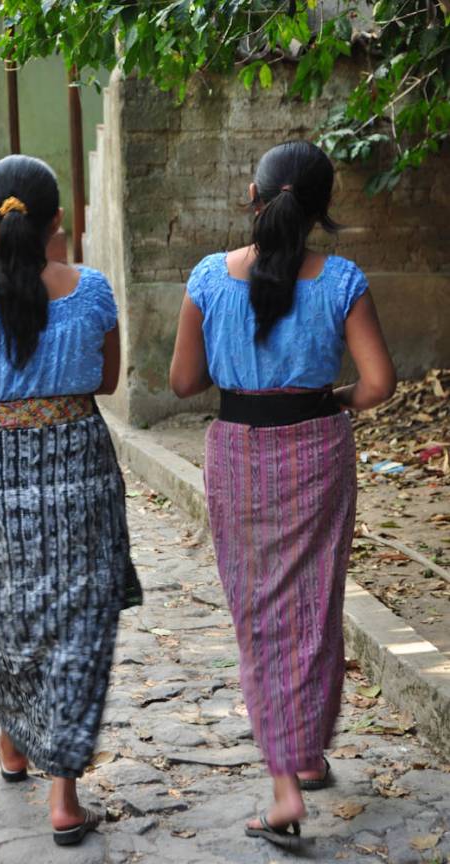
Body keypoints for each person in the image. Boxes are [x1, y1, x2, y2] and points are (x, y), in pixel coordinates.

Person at [170, 140, 396, 850]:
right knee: (313, 606)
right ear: (323, 208)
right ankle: (304, 756)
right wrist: (333, 399)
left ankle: (286, 787)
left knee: (259, 612)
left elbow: (183, 382)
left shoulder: (208, 278)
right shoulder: (342, 280)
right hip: (318, 449)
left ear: (253, 196)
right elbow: (379, 382)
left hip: (237, 453)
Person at [0, 154, 139, 846]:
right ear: (58, 223)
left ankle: (14, 737)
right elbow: (106, 382)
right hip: (78, 465)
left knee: (5, 614)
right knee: (79, 618)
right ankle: (63, 796)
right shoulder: (91, 291)